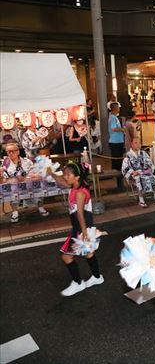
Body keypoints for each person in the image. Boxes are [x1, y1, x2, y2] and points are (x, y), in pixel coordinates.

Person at [47, 162, 103, 297]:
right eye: (65, 174)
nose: (65, 176)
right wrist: (52, 174)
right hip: (82, 227)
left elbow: (80, 214)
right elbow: (61, 181)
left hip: (81, 228)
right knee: (88, 253)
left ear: (77, 177)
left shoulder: (80, 193)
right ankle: (97, 277)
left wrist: (83, 233)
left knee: (66, 257)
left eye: (68, 174)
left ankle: (78, 283)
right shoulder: (74, 185)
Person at [1, 142, 49, 223]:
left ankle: (41, 207)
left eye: (13, 151)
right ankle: (15, 212)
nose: (11, 153)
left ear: (18, 151)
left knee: (38, 185)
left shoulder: (27, 161)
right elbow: (4, 179)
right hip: (14, 187)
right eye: (8, 151)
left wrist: (29, 177)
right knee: (12, 191)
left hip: (29, 184)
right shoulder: (5, 164)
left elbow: (34, 173)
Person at [122, 137, 155, 208]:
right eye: (135, 143)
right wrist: (133, 172)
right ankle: (141, 199)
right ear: (131, 144)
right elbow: (125, 168)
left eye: (139, 143)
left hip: (144, 172)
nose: (138, 145)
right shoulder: (128, 155)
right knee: (138, 179)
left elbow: (150, 164)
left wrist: (148, 169)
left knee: (153, 177)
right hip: (135, 174)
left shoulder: (143, 153)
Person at [108, 103, 126, 177]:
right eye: (118, 107)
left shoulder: (115, 117)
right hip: (115, 142)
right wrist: (122, 129)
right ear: (115, 108)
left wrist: (123, 123)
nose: (119, 109)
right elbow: (113, 128)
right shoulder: (112, 118)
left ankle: (118, 174)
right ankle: (116, 174)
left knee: (119, 159)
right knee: (116, 160)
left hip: (118, 141)